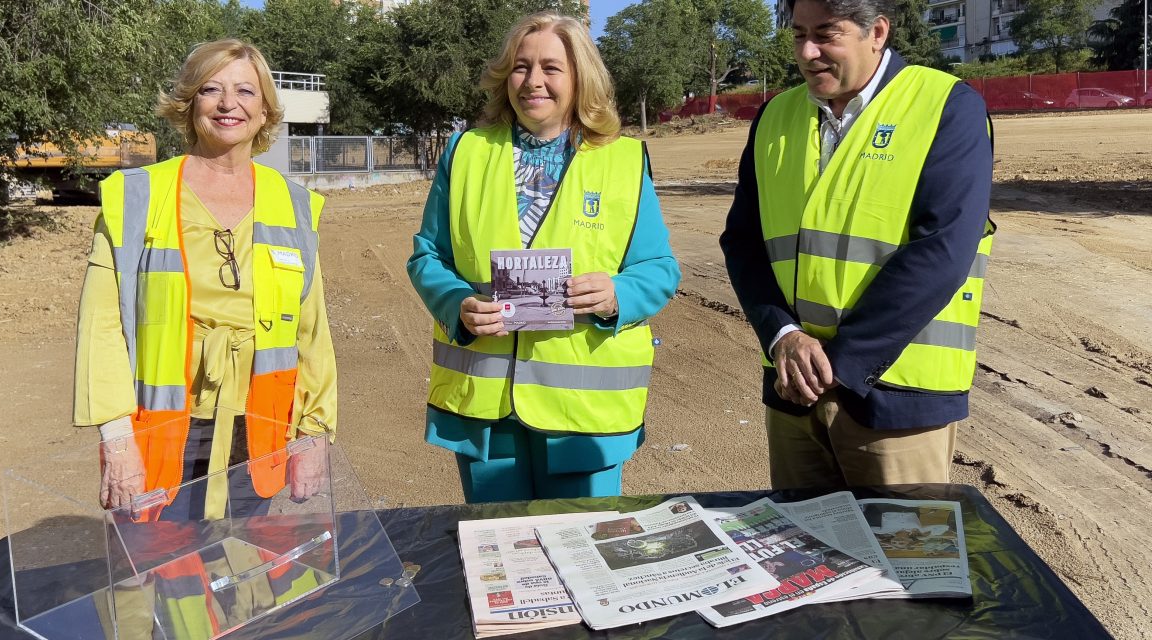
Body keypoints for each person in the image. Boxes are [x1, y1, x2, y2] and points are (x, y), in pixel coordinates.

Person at [406, 12, 681, 503]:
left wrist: (616, 294)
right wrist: (456, 305)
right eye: (520, 67)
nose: (533, 81)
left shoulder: (622, 159)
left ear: (580, 78)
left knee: (584, 551)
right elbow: (428, 255)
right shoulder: (465, 151)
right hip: (488, 411)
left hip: (583, 416)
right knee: (501, 554)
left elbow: (658, 268)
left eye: (551, 68)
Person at [721, 0, 995, 489]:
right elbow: (743, 242)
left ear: (878, 33)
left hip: (896, 400)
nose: (807, 52)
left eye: (826, 34)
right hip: (794, 392)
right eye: (798, 33)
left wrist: (839, 364)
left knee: (903, 561)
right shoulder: (774, 118)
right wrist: (783, 336)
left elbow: (944, 250)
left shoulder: (946, 106)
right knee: (803, 556)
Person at [73, 38, 336, 520]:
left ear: (264, 110)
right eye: (211, 89)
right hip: (158, 432)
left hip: (259, 428)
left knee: (242, 577)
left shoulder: (293, 204)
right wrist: (116, 440)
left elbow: (311, 331)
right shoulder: (137, 196)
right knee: (155, 578)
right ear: (189, 102)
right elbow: (101, 327)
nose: (228, 104)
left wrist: (314, 433)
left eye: (245, 91)